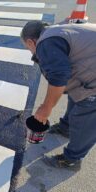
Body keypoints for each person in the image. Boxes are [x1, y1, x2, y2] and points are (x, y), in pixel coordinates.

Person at [21, 21, 96, 170]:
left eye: (28, 48)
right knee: (77, 95)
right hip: (89, 68)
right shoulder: (56, 31)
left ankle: (72, 160)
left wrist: (46, 107)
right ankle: (65, 128)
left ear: (31, 41)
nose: (31, 52)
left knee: (85, 118)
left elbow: (59, 76)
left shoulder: (45, 43)